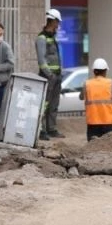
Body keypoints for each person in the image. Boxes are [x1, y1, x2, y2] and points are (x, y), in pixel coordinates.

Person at [37, 8, 65, 140]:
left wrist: (59, 73)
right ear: (52, 21)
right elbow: (41, 60)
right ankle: (41, 130)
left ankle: (51, 128)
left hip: (56, 75)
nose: (58, 24)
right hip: (48, 76)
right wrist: (49, 74)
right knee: (45, 103)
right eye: (57, 22)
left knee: (54, 104)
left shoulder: (53, 37)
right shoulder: (41, 38)